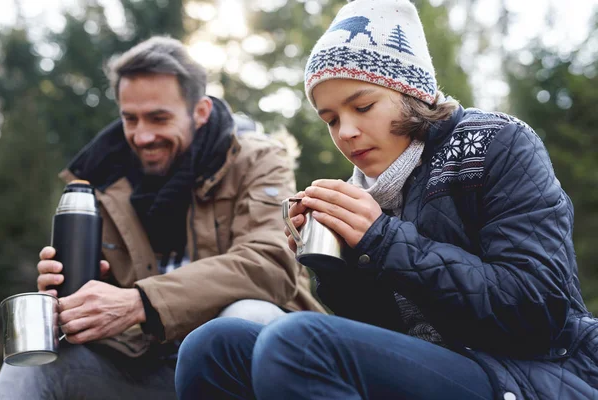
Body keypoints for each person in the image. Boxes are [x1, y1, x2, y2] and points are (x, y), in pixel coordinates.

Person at [173, 1, 598, 399]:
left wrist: (381, 238)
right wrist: (335, 265)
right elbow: (379, 334)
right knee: (213, 345)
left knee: (297, 342)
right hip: (431, 366)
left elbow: (539, 310)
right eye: (331, 119)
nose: (346, 132)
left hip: (524, 372)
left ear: (411, 92)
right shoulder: (362, 191)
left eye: (363, 106)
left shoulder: (498, 143)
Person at [0, 36, 325, 400]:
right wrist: (69, 301)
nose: (142, 135)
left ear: (199, 112)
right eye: (130, 119)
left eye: (158, 118)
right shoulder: (98, 183)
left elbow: (270, 266)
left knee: (244, 315)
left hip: (256, 362)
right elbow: (107, 313)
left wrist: (140, 301)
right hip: (151, 369)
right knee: (29, 364)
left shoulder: (260, 160)